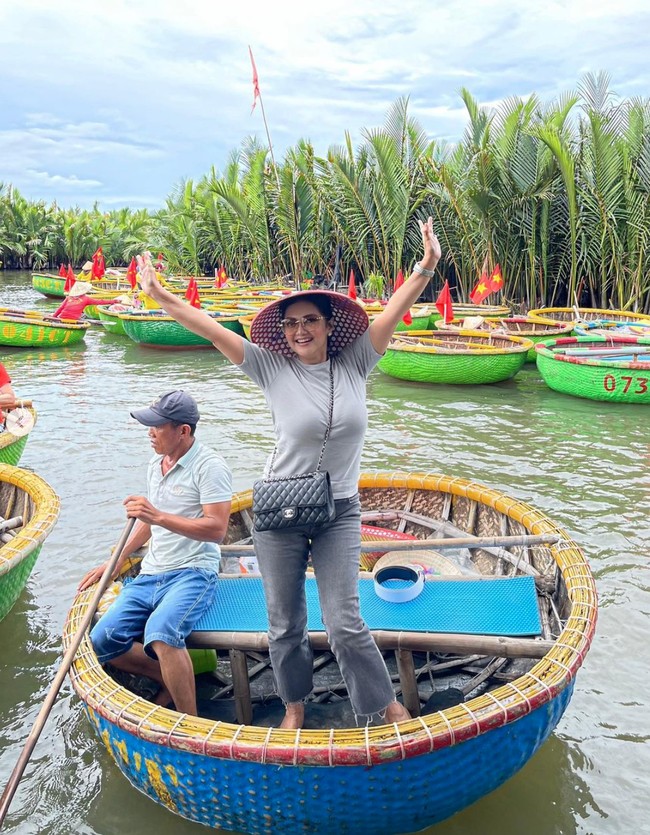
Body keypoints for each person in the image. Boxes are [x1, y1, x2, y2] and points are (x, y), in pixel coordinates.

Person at [136, 217, 442, 729]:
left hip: (339, 510)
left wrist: (427, 266)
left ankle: (383, 704)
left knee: (345, 620)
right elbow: (208, 326)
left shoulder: (358, 361)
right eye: (290, 324)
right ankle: (294, 707)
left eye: (309, 321)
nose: (299, 330)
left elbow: (396, 308)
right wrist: (159, 294)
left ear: (328, 326)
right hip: (280, 510)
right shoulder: (270, 368)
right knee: (285, 622)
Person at [78, 390, 232, 715]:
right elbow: (148, 523)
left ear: (183, 431)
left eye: (157, 426)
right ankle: (168, 679)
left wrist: (157, 516)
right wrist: (118, 559)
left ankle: (190, 722)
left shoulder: (210, 466)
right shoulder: (155, 464)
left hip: (193, 571)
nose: (150, 433)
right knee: (102, 640)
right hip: (151, 572)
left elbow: (217, 529)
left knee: (161, 632)